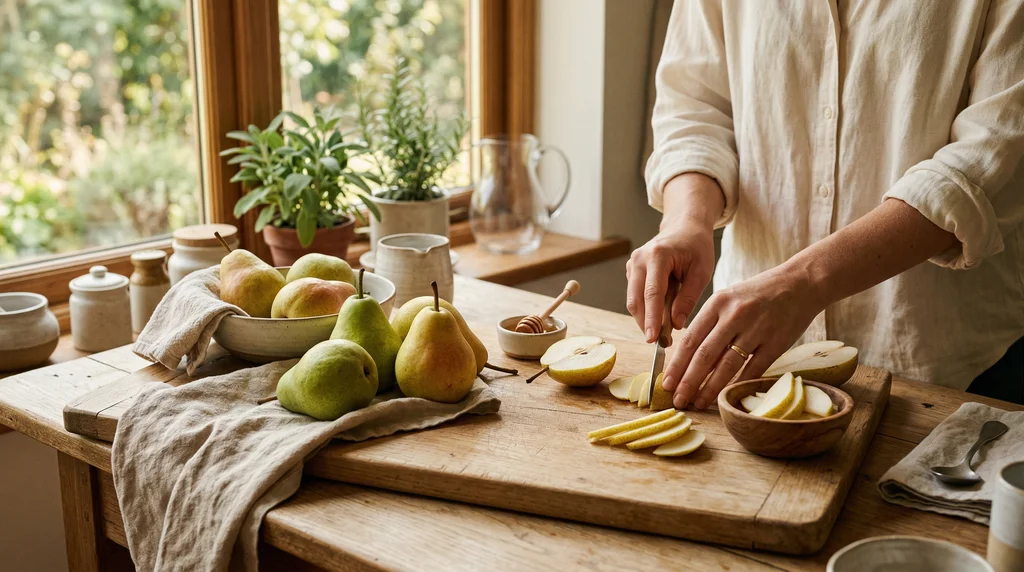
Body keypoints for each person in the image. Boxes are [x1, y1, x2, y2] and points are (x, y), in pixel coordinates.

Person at [630, 0, 1024, 409]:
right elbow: (694, 109)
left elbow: (990, 157)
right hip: (751, 359)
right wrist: (687, 219)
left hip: (953, 366)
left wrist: (804, 282)